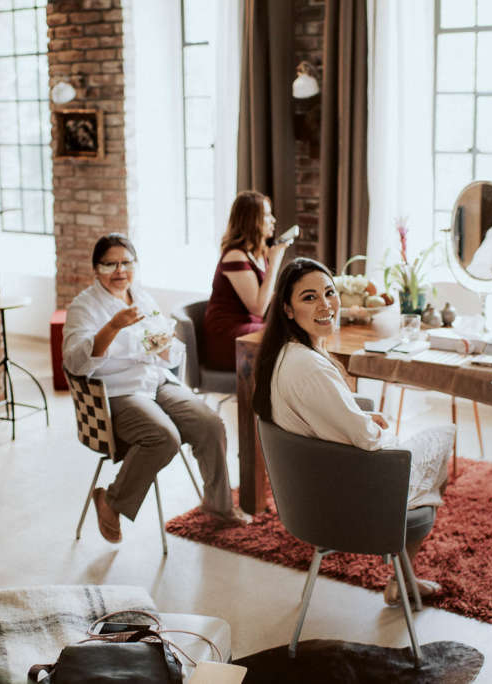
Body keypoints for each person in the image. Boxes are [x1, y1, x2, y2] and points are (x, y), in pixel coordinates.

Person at [252, 257, 454, 604]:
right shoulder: (310, 368)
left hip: (311, 491)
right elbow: (366, 440)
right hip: (342, 499)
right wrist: (376, 430)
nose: (326, 304)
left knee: (421, 448)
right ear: (287, 309)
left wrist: (361, 416)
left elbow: (326, 414)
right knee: (440, 444)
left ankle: (402, 578)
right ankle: (402, 580)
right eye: (309, 297)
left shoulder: (286, 354)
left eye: (329, 293)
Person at [63, 234, 251, 543]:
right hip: (117, 392)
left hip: (156, 380)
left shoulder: (142, 297)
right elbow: (75, 363)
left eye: (126, 263)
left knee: (210, 424)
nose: (119, 271)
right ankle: (111, 500)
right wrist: (113, 327)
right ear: (95, 269)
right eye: (109, 264)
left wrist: (165, 346)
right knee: (164, 437)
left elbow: (168, 350)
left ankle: (218, 506)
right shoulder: (83, 307)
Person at [203, 191, 289, 371]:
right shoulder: (235, 255)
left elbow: (267, 296)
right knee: (283, 335)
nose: (273, 220)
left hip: (249, 326)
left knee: (291, 330)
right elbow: (258, 308)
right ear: (251, 220)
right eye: (267, 215)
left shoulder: (258, 254)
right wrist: (274, 263)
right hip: (227, 334)